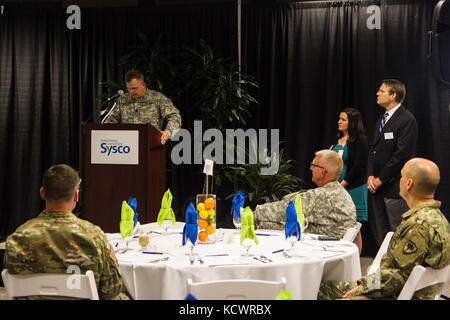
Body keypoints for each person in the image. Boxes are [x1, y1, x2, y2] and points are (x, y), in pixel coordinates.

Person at [318, 158, 449, 300]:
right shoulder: (439, 219)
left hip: (391, 294)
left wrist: (361, 288)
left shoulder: (417, 226)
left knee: (317, 285)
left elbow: (394, 278)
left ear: (409, 183)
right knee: (324, 282)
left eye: (402, 176)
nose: (400, 180)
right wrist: (363, 284)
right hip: (399, 290)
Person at [3, 164, 126, 300]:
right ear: (76, 195)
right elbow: (111, 290)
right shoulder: (94, 236)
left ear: (42, 193)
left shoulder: (18, 238)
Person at [254, 150, 357, 238]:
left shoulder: (321, 196)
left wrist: (250, 215)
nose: (310, 168)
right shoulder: (341, 193)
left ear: (323, 172)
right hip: (336, 247)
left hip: (323, 250)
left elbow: (281, 210)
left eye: (313, 165)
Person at [367, 79, 418, 247]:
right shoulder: (382, 119)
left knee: (397, 231)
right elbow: (373, 151)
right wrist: (370, 175)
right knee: (381, 231)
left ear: (393, 95)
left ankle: (400, 270)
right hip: (376, 186)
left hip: (394, 187)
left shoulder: (406, 119)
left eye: (382, 91)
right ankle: (385, 267)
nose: (377, 93)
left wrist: (380, 179)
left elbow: (401, 155)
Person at [103, 69, 182, 145]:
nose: (132, 92)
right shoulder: (122, 100)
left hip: (151, 145)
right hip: (126, 147)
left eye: (134, 88)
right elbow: (111, 120)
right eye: (129, 88)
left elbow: (175, 116)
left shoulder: (157, 98)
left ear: (143, 85)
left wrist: (168, 132)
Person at [331, 108, 369, 254]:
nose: (339, 122)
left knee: (353, 227)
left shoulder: (360, 141)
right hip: (337, 188)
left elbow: (358, 167)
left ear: (352, 123)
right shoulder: (337, 139)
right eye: (339, 119)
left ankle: (355, 260)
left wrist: (342, 185)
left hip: (352, 188)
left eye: (343, 120)